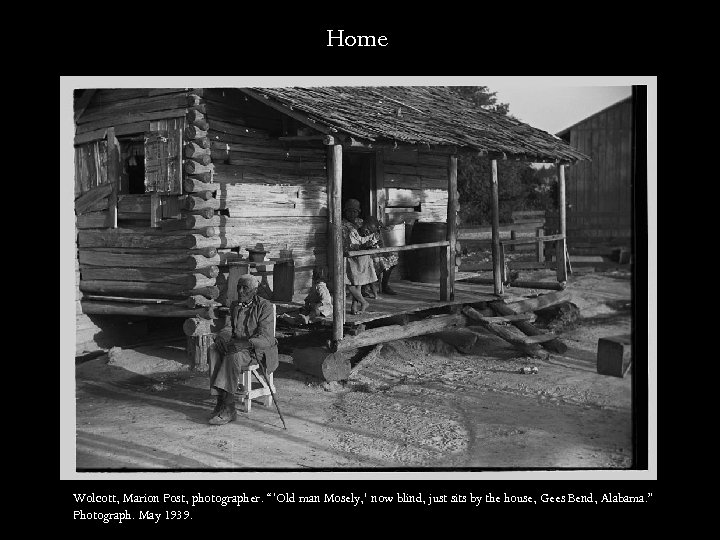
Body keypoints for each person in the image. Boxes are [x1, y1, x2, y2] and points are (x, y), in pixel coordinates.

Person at [208, 274, 279, 425]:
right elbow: (229, 328)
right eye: (238, 287)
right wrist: (222, 337)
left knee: (233, 355)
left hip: (256, 351)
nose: (240, 291)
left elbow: (267, 338)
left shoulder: (264, 307)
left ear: (255, 290)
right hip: (236, 346)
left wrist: (245, 344)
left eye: (245, 288)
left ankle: (229, 408)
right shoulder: (235, 305)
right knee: (214, 350)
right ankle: (220, 400)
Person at [341, 199, 377, 314]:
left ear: (358, 212)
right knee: (349, 283)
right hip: (350, 256)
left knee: (358, 283)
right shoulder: (342, 225)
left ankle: (354, 307)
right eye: (350, 211)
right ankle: (363, 301)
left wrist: (371, 239)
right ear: (345, 212)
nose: (352, 214)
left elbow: (365, 237)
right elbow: (346, 242)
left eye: (355, 211)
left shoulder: (360, 222)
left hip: (362, 256)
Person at [358, 216, 399, 297]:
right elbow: (358, 246)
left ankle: (384, 285)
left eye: (372, 229)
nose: (368, 231)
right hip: (364, 255)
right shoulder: (358, 232)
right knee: (375, 263)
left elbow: (380, 244)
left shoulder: (376, 233)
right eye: (368, 228)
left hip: (374, 254)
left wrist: (379, 246)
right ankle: (364, 287)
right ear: (365, 225)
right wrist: (367, 245)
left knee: (392, 259)